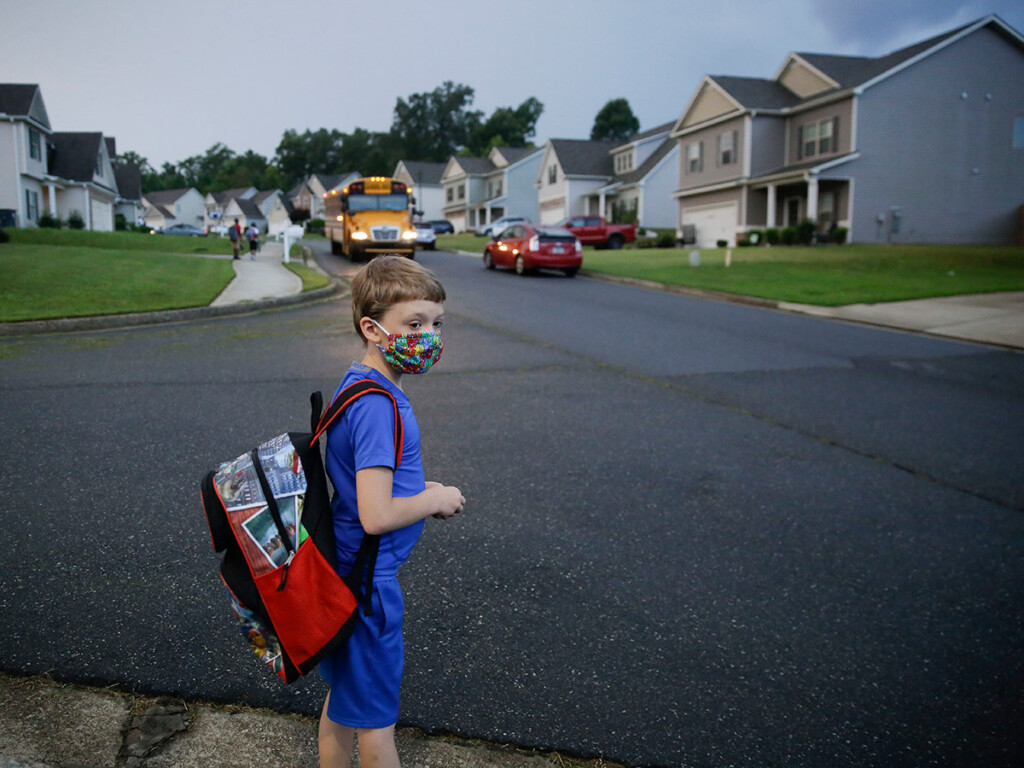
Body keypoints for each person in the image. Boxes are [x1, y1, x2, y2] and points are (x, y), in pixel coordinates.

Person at [318, 255, 465, 768]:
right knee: (376, 725)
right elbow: (376, 515)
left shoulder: (359, 384)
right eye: (415, 324)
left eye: (436, 324)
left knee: (344, 700)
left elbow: (370, 483)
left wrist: (421, 487)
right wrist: (434, 497)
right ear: (373, 328)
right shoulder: (379, 406)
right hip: (368, 584)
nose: (429, 336)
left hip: (345, 567)